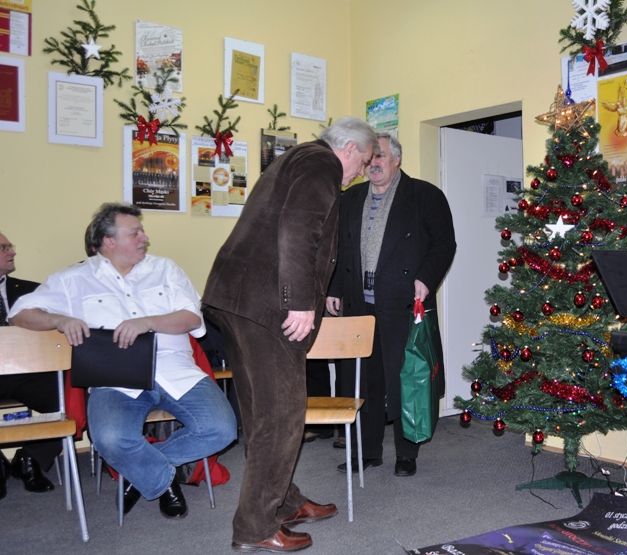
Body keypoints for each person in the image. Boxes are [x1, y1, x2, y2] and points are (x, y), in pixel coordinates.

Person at [203, 116, 378, 553]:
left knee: (262, 412)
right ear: (350, 149)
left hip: (238, 299)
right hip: (267, 306)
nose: (361, 172)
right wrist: (299, 301)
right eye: (364, 161)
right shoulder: (322, 164)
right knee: (282, 417)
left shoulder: (297, 158)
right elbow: (299, 231)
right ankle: (255, 526)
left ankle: (285, 501)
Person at [9, 203, 237, 519]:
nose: (145, 238)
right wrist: (60, 320)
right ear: (109, 241)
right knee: (110, 439)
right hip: (114, 379)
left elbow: (191, 319)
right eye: (135, 233)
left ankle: (141, 474)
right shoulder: (73, 278)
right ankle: (163, 480)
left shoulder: (165, 269)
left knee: (222, 429)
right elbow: (20, 313)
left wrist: (148, 322)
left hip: (176, 370)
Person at [326, 132, 456, 478]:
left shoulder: (425, 196)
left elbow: (444, 244)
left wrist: (426, 278)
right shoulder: (352, 198)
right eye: (370, 159)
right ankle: (367, 451)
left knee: (405, 379)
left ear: (397, 159)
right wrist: (334, 288)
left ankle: (406, 453)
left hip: (404, 303)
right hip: (359, 305)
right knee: (363, 381)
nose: (374, 164)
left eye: (380, 156)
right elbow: (339, 247)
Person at [0, 232, 60, 500]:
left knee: (72, 398)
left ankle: (30, 458)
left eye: (10, 246)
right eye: (4, 248)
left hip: (30, 373)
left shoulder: (33, 292)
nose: (12, 252)